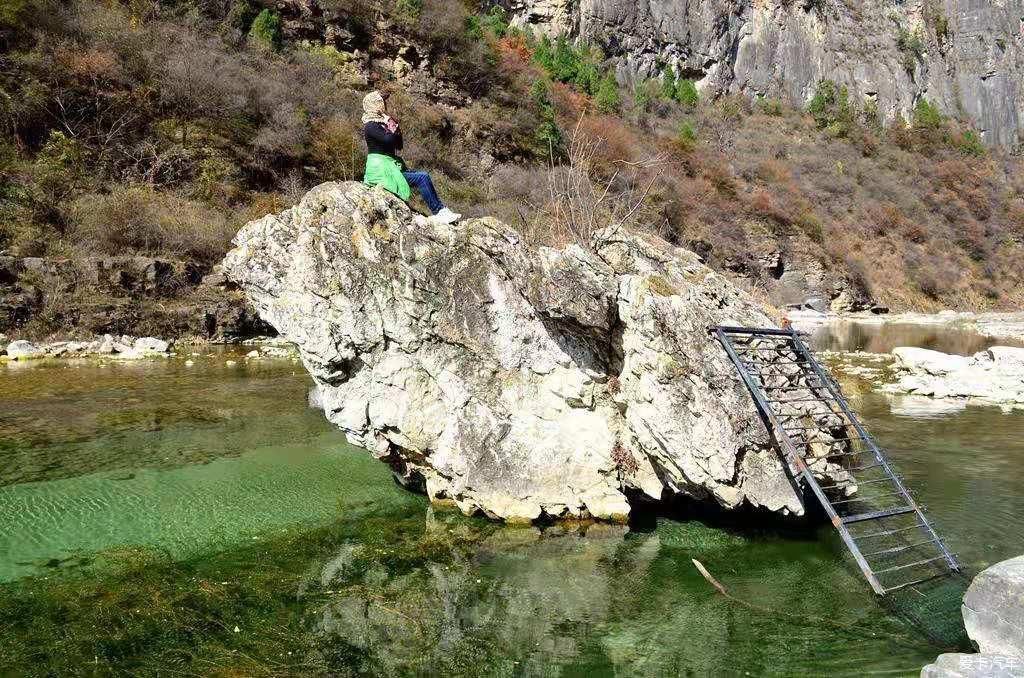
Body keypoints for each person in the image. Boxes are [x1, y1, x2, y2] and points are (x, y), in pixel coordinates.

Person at [361, 91, 461, 224]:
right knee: (422, 177)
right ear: (375, 104)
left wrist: (395, 128)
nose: (385, 104)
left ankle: (440, 210)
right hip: (381, 169)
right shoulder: (370, 126)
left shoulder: (380, 124)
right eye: (382, 101)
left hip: (389, 166)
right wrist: (391, 127)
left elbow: (398, 145)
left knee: (421, 177)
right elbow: (388, 140)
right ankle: (439, 211)